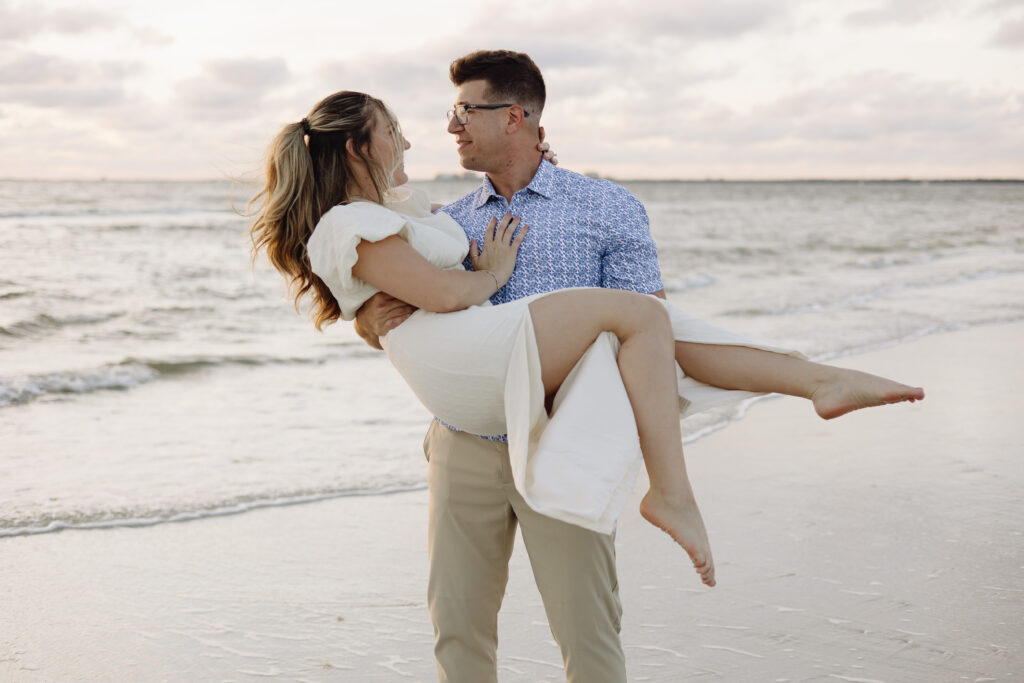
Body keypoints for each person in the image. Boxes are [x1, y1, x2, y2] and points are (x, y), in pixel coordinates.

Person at [249, 55, 924, 683]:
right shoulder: (443, 220)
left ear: (517, 115)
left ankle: (808, 381)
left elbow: (655, 336)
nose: (449, 125)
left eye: (466, 110)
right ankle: (809, 381)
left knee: (590, 636)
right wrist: (363, 319)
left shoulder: (607, 208)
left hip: (563, 434)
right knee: (457, 633)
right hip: (467, 441)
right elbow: (413, 318)